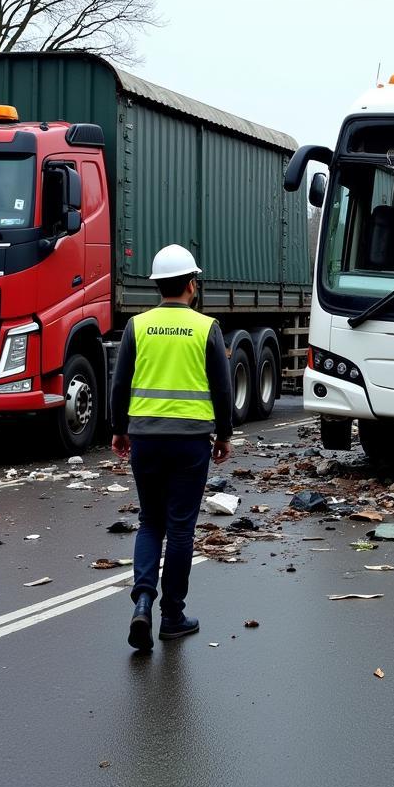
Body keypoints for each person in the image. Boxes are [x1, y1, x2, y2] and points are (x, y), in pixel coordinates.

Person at [111, 245, 234, 652]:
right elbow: (221, 387)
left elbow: (120, 382)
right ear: (191, 285)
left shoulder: (137, 326)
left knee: (150, 522)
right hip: (190, 443)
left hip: (145, 439)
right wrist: (225, 435)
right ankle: (173, 616)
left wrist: (119, 429)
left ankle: (142, 601)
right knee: (180, 527)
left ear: (157, 286)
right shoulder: (206, 328)